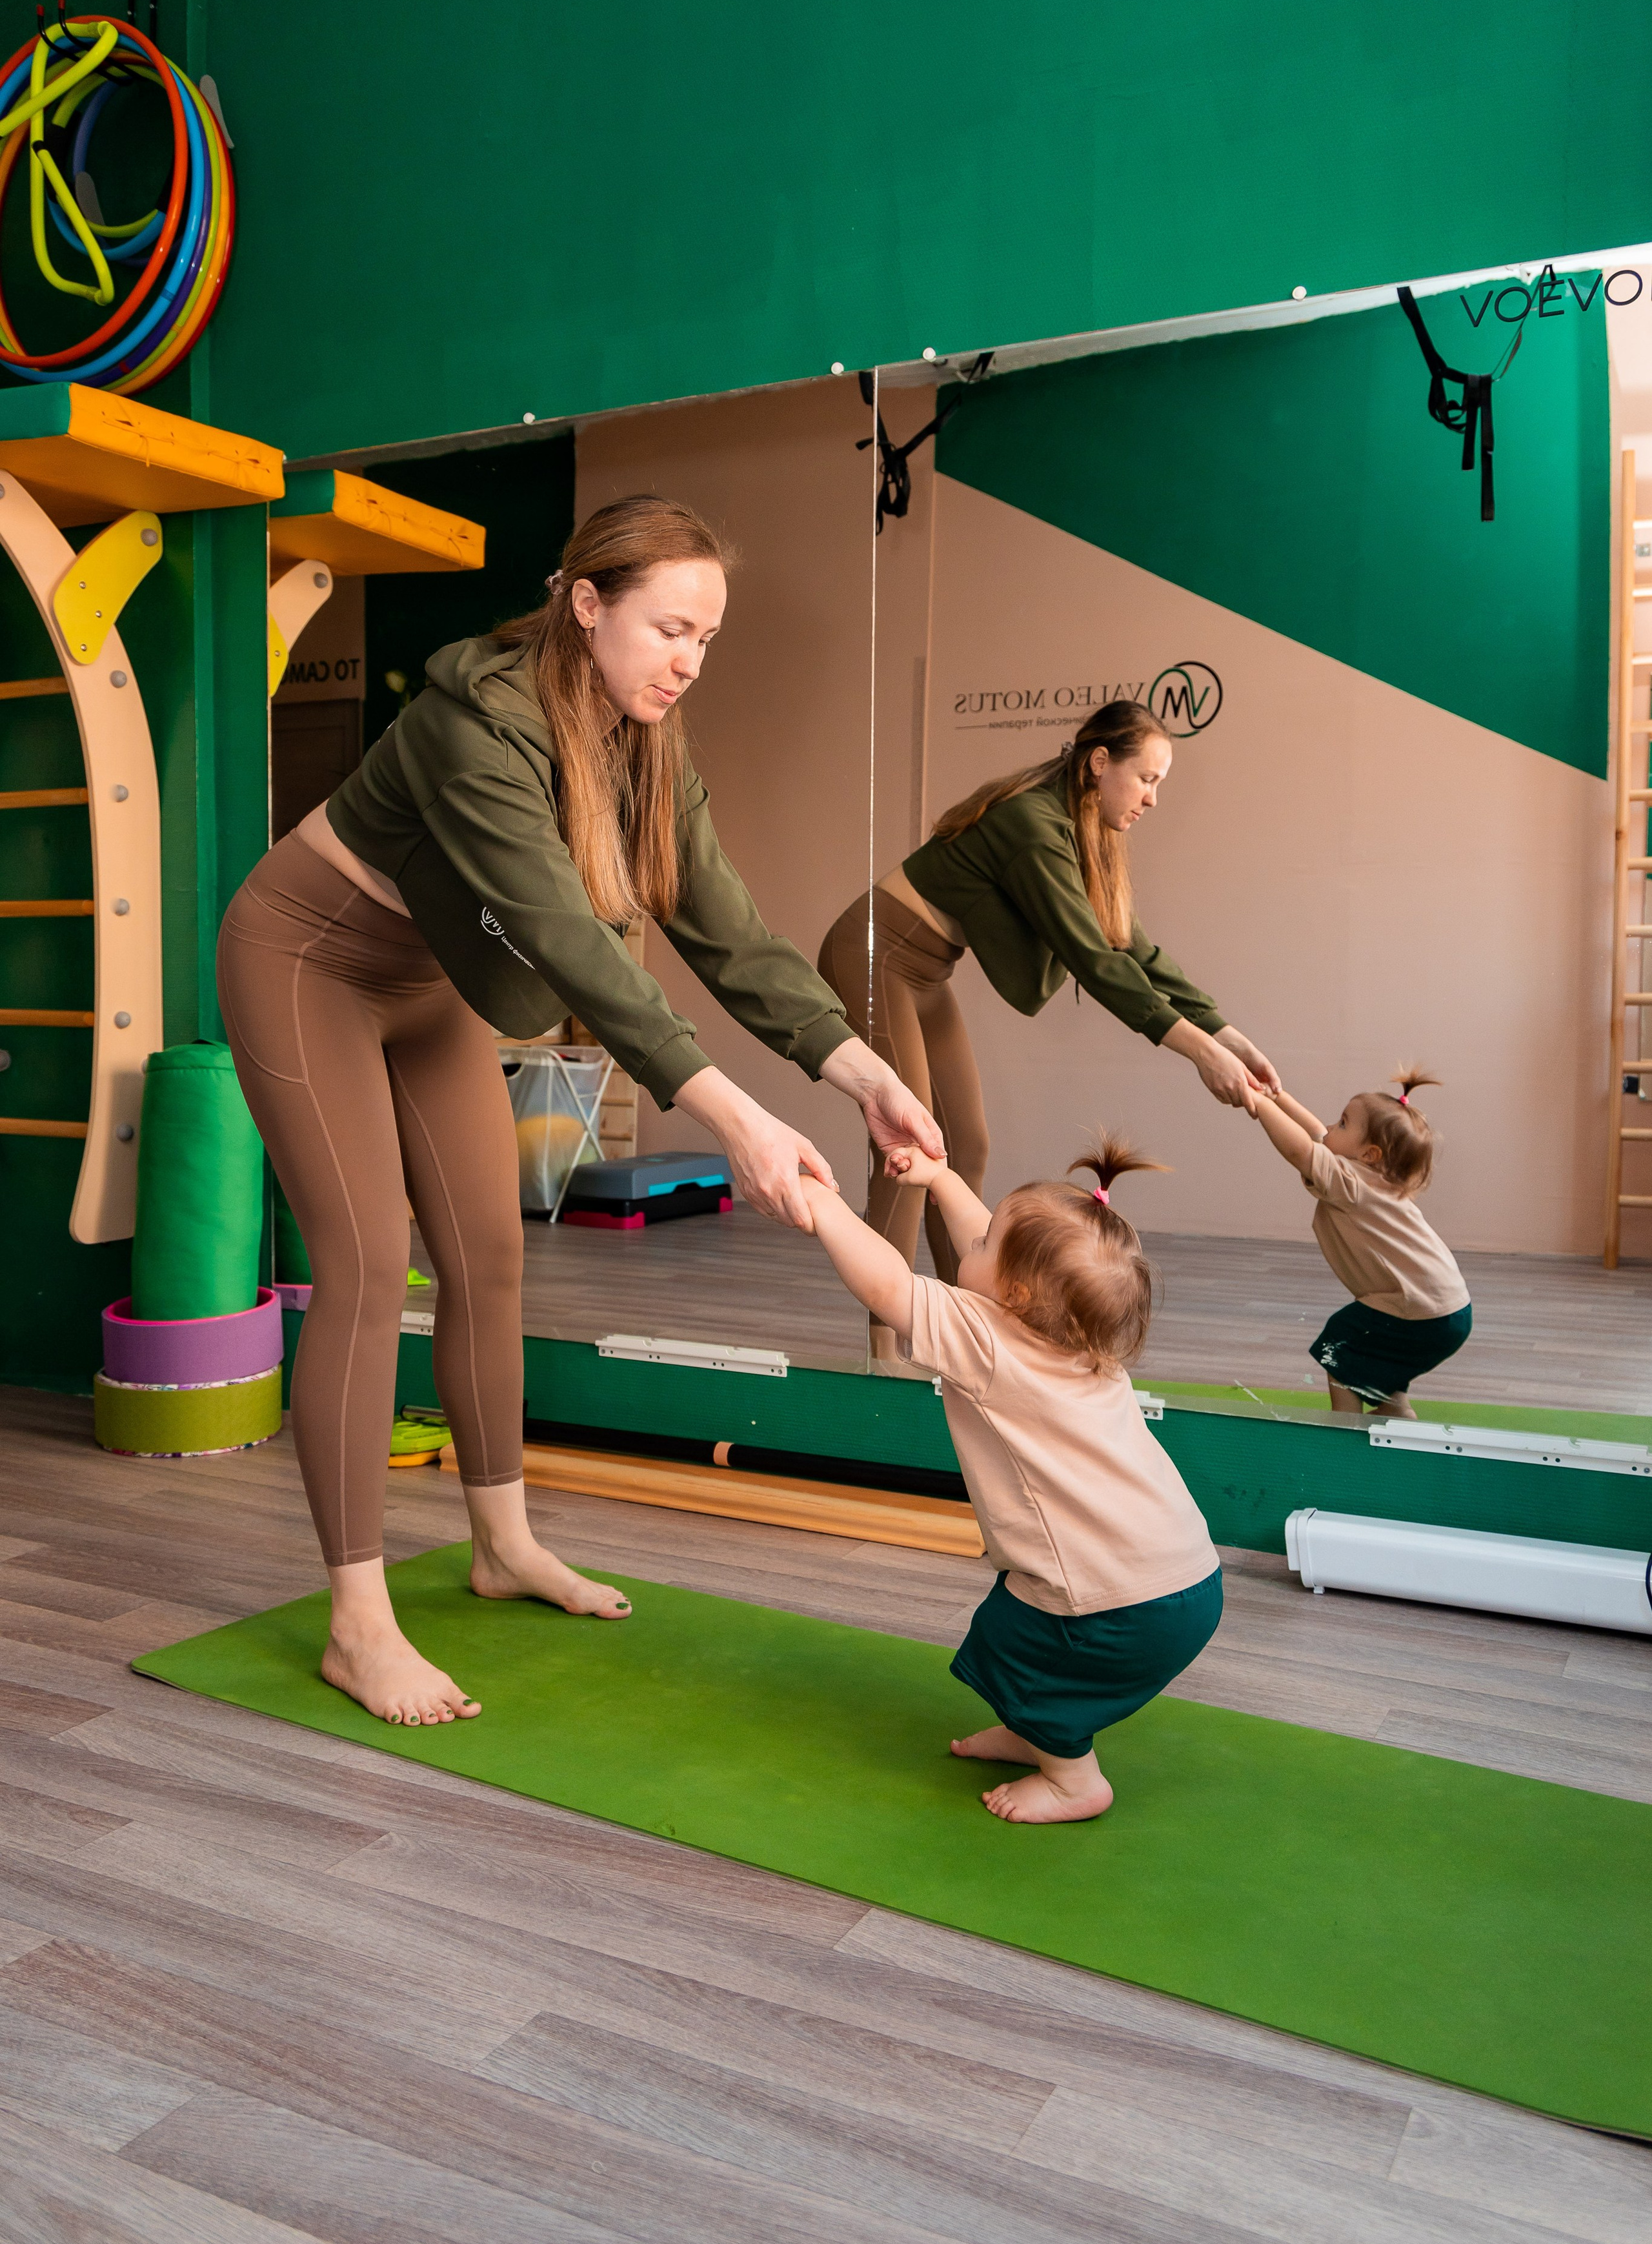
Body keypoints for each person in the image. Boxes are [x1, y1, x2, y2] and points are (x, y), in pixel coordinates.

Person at [217, 495, 943, 1730]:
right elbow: (566, 944)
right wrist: (737, 1119)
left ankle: (502, 1544)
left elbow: (725, 923)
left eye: (707, 638)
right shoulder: (473, 722)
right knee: (365, 1266)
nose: (688, 661)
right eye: (671, 627)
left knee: (490, 1257)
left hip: (426, 982)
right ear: (586, 602)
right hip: (307, 959)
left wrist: (859, 1069)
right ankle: (357, 1621)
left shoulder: (642, 736)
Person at [800, 1134, 1222, 1824]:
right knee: (1019, 1629)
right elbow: (988, 1241)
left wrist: (822, 1206)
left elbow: (886, 1285)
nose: (975, 1234)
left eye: (989, 1238)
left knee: (1016, 1654)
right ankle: (1036, 1733)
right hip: (1186, 1578)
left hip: (1111, 1599)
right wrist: (938, 1180)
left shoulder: (985, 1338)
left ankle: (1071, 1776)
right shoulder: (1085, 1340)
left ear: (1016, 1291)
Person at [818, 702, 1279, 1325]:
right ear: (1099, 763)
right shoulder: (1033, 825)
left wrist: (1228, 1036)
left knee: (967, 1147)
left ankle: (970, 1330)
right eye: (1147, 778)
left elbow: (1132, 948)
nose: (1153, 798)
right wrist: (1201, 1054)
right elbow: (1094, 961)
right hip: (878, 953)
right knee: (907, 1154)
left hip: (926, 971)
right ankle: (889, 1353)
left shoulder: (1080, 833)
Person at [1245, 1071, 1471, 1419]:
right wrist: (1277, 1097)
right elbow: (1317, 1134)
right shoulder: (1370, 1178)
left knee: (1342, 1344)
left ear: (1369, 1153)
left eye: (1343, 1124)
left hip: (1417, 1307)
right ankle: (1394, 1409)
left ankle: (1345, 1427)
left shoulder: (1348, 1182)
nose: (1331, 1128)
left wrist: (1259, 1104)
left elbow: (1300, 1148)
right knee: (1378, 1347)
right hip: (1448, 1309)